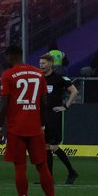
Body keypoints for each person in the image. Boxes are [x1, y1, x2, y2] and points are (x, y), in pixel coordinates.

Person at [0, 45, 64, 196]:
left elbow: (3, 104)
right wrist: (42, 125)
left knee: (20, 167)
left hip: (16, 128)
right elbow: (43, 102)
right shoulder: (38, 73)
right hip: (35, 128)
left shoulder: (8, 75)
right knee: (42, 166)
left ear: (11, 56)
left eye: (6, 57)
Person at [39, 54, 79, 185]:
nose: (41, 65)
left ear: (50, 64)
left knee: (53, 146)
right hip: (41, 114)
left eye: (44, 63)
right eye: (40, 63)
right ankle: (48, 178)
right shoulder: (38, 78)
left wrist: (66, 106)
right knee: (45, 147)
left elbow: (74, 91)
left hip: (54, 114)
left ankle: (72, 171)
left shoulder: (59, 78)